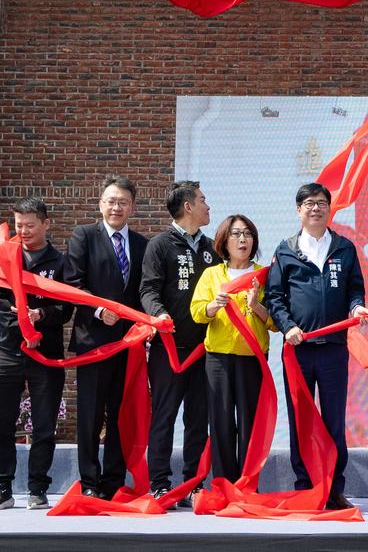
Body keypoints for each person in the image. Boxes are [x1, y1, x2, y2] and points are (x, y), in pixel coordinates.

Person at [264, 181, 368, 511]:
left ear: (329, 208)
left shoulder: (344, 248)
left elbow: (355, 289)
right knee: (300, 420)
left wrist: (356, 308)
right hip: (298, 350)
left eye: (321, 202)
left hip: (334, 350)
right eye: (308, 203)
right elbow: (275, 298)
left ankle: (335, 488)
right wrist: (288, 326)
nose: (315, 208)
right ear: (299, 210)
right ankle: (305, 486)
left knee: (334, 421)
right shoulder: (285, 250)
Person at [0, 196, 70, 510]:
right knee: (1, 424)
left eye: (30, 225)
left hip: (45, 355)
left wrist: (41, 318)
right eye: (19, 225)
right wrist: (24, 328)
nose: (24, 231)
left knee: (44, 425)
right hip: (6, 351)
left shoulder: (60, 263)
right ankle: (2, 487)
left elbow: (66, 307)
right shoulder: (3, 259)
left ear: (46, 224)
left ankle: (37, 488)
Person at [67, 175, 148, 499]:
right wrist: (99, 311)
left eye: (123, 202)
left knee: (120, 413)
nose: (117, 207)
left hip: (128, 343)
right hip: (93, 343)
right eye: (111, 201)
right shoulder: (84, 236)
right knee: (90, 413)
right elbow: (72, 284)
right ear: (101, 203)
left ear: (132, 207)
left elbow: (144, 290)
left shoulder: (142, 245)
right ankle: (89, 481)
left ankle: (114, 480)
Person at [141, 180, 217, 503]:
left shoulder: (213, 248)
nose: (207, 206)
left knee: (198, 420)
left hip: (204, 350)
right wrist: (158, 314)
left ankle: (194, 484)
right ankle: (159, 483)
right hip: (168, 350)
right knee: (164, 417)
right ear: (188, 207)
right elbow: (147, 290)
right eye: (202, 200)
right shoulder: (160, 245)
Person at [190, 213, 272, 484]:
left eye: (247, 234)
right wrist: (214, 306)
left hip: (253, 358)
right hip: (219, 359)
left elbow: (275, 321)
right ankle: (224, 486)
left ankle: (248, 486)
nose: (242, 239)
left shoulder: (263, 275)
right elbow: (197, 312)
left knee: (250, 424)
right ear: (224, 241)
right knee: (222, 423)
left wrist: (257, 307)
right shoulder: (212, 274)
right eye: (236, 234)